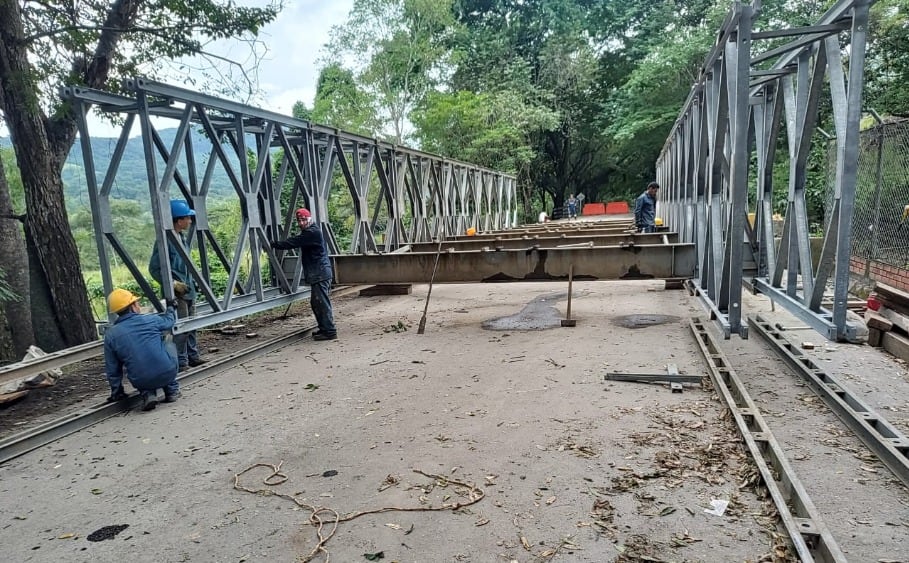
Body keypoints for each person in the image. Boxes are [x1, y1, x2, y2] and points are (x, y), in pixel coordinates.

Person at [149, 199, 207, 371]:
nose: (189, 221)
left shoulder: (181, 238)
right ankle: (181, 362)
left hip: (188, 289)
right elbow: (154, 268)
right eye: (187, 218)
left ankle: (193, 356)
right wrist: (173, 284)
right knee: (181, 327)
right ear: (178, 220)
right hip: (177, 293)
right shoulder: (165, 241)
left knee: (192, 325)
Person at [104, 288, 181, 411]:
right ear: (133, 307)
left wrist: (116, 392)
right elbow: (169, 322)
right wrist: (171, 308)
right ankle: (171, 390)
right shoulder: (150, 319)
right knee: (168, 343)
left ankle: (148, 394)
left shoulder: (111, 335)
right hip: (167, 373)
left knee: (137, 361)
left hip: (141, 380)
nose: (139, 305)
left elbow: (112, 368)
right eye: (137, 303)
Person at [271, 208, 337, 341]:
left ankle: (330, 331)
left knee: (321, 303)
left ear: (309, 219)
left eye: (303, 220)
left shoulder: (312, 233)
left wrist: (274, 244)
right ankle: (324, 329)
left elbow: (293, 242)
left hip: (320, 273)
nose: (301, 223)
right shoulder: (311, 231)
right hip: (319, 272)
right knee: (316, 303)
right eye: (299, 220)